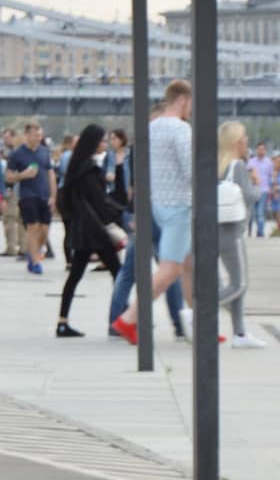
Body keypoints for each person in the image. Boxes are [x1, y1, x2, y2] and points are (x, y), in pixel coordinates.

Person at [111, 79, 195, 345]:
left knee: (188, 267)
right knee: (170, 270)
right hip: (179, 205)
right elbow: (191, 170)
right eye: (190, 104)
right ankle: (129, 318)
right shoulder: (181, 129)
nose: (191, 109)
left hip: (156, 204)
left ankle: (198, 324)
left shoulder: (151, 128)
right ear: (183, 100)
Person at [54, 124, 126, 337]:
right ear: (93, 143)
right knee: (119, 273)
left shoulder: (77, 167)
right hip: (95, 231)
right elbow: (100, 201)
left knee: (75, 276)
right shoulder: (90, 169)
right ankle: (119, 321)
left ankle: (62, 322)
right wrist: (123, 214)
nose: (105, 144)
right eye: (102, 141)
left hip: (82, 229)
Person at [217, 122, 268, 348]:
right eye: (245, 138)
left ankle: (239, 333)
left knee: (236, 282)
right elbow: (249, 196)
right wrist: (257, 184)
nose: (248, 141)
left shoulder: (219, 166)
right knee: (239, 284)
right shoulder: (238, 166)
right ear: (238, 142)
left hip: (217, 229)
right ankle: (200, 310)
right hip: (233, 232)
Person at [5, 120, 57, 274]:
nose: (38, 138)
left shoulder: (43, 151)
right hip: (27, 196)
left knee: (45, 229)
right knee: (33, 228)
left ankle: (32, 252)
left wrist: (54, 195)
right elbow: (8, 177)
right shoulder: (17, 154)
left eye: (40, 135)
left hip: (44, 195)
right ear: (27, 135)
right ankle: (35, 262)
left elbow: (51, 174)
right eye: (35, 135)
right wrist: (23, 175)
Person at [246, 142, 274, 236]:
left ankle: (260, 233)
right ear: (256, 150)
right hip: (253, 190)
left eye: (262, 149)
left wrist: (271, 189)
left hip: (264, 190)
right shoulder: (251, 162)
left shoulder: (269, 162)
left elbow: (271, 177)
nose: (260, 151)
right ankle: (250, 232)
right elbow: (247, 175)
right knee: (252, 214)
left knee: (260, 212)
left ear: (265, 150)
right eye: (259, 149)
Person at [1, 126, 20, 258]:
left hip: (12, 189)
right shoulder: (15, 151)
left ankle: (12, 247)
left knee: (11, 218)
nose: (5, 139)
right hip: (13, 188)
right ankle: (18, 247)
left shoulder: (13, 153)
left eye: (7, 137)